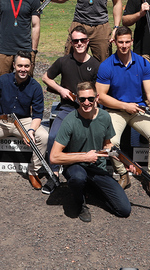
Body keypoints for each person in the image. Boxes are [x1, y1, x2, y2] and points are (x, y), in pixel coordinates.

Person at [95, 26, 150, 204]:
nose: (124, 46)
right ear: (115, 42)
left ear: (131, 41)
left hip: (138, 110)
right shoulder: (107, 65)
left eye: (127, 42)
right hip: (116, 110)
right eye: (121, 42)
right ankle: (123, 173)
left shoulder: (142, 63)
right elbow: (101, 97)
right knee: (113, 142)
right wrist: (124, 106)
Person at [49, 82, 131, 222]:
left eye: (90, 99)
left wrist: (127, 162)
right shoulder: (70, 121)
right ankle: (80, 203)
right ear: (77, 99)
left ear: (97, 98)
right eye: (82, 99)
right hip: (76, 166)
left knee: (124, 210)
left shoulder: (104, 117)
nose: (86, 103)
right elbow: (54, 157)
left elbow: (108, 145)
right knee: (78, 177)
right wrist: (85, 157)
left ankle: (90, 188)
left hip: (97, 168)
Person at [0, 51, 49, 193]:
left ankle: (33, 172)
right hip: (3, 121)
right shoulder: (2, 80)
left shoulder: (36, 87)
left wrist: (31, 131)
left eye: (26, 66)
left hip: (24, 121)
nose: (23, 69)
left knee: (43, 137)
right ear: (14, 65)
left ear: (31, 66)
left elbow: (37, 115)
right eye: (20, 66)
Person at [40, 25, 100, 194]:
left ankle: (93, 176)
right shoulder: (63, 61)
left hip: (88, 109)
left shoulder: (96, 64)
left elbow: (99, 93)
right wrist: (61, 90)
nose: (79, 43)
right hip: (67, 109)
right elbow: (46, 77)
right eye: (75, 41)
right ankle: (54, 174)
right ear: (71, 43)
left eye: (82, 40)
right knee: (53, 136)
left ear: (87, 41)